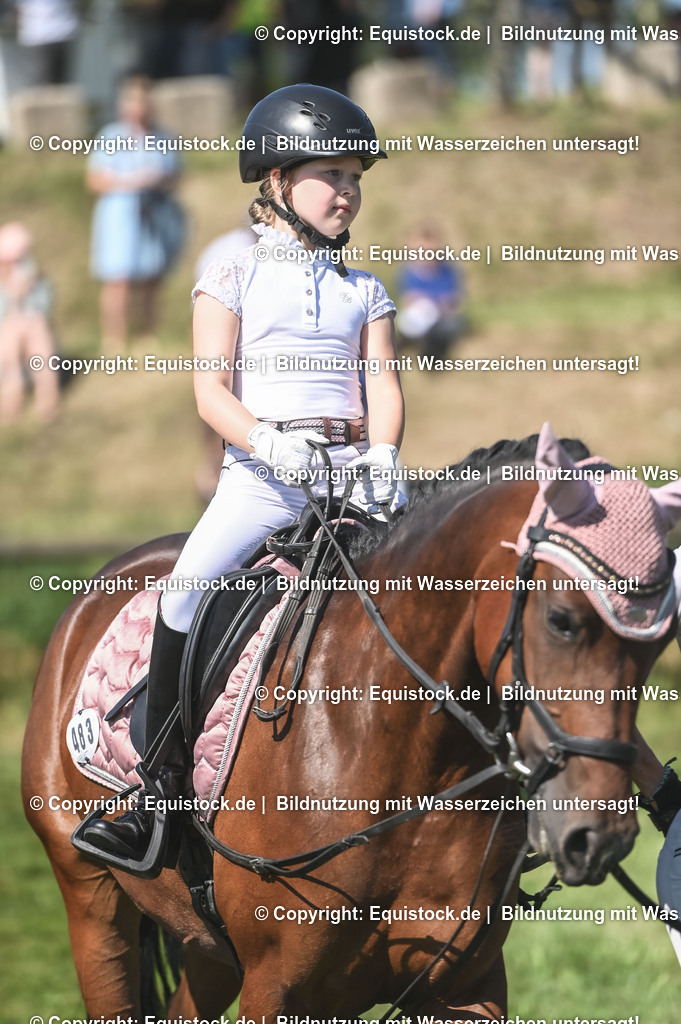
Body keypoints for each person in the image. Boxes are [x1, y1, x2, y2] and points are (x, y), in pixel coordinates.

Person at [83, 83, 406, 864]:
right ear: (277, 180)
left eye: (354, 178)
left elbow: (384, 384)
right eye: (331, 176)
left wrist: (384, 453)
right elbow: (209, 390)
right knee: (185, 593)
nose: (347, 191)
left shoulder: (364, 290)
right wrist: (265, 438)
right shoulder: (231, 273)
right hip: (263, 481)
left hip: (349, 478)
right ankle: (156, 788)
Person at [87, 72, 185, 353]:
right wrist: (132, 181)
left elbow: (176, 177)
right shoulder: (110, 135)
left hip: (153, 214)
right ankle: (113, 339)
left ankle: (147, 335)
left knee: (152, 277)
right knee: (117, 279)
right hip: (119, 216)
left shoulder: (162, 137)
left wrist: (158, 180)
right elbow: (94, 180)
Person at [0, 220, 59, 424]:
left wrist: (27, 287)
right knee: (9, 366)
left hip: (34, 320)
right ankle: (10, 406)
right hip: (10, 323)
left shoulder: (33, 274)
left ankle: (48, 404)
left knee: (42, 362)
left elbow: (44, 299)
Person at [395, 226, 465, 359]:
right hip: (415, 317)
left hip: (440, 318)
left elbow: (454, 300)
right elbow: (405, 299)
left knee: (451, 326)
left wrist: (441, 306)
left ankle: (432, 355)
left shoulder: (447, 270)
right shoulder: (407, 270)